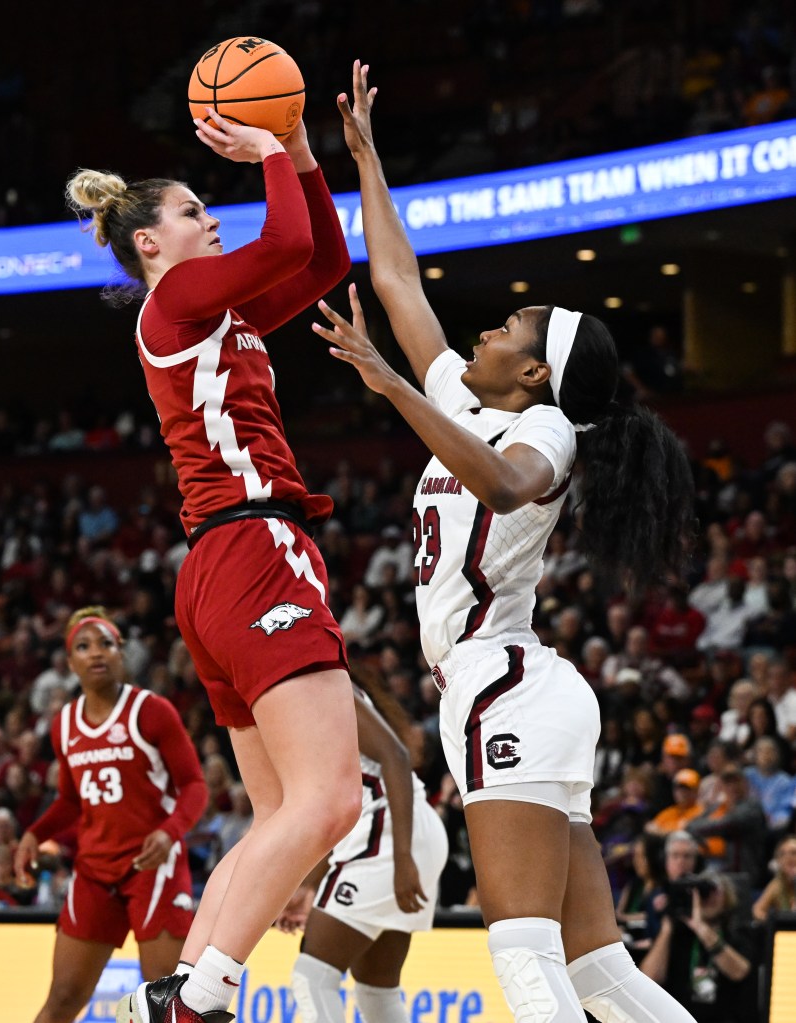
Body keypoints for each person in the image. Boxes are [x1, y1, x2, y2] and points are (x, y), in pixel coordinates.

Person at [313, 61, 699, 1023]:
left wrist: (386, 384)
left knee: (526, 961)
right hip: (513, 688)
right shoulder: (467, 402)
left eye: (508, 326)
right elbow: (398, 282)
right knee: (601, 969)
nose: (483, 327)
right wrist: (366, 160)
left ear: (532, 372)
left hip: (504, 685)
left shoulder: (548, 431)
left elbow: (505, 484)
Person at [64, 106, 361, 1023]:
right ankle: (201, 995)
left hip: (218, 566)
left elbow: (321, 262)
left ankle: (178, 991)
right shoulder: (179, 299)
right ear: (150, 242)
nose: (212, 219)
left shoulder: (205, 310)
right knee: (331, 804)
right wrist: (271, 148)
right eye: (196, 211)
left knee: (281, 814)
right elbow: (281, 238)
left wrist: (304, 157)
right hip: (253, 546)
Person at [13, 607, 208, 1023]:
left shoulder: (152, 711)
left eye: (106, 643)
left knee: (167, 1004)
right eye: (83, 646)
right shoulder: (63, 724)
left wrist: (171, 831)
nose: (96, 653)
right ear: (70, 664)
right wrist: (34, 832)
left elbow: (195, 786)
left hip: (152, 867)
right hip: (95, 871)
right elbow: (70, 800)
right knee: (63, 997)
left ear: (122, 653)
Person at [276, 683, 448, 1023]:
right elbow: (331, 814)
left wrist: (402, 859)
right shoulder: (303, 696)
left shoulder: (319, 685)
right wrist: (307, 886)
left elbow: (396, 757)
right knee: (376, 991)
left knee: (313, 977)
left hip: (390, 833)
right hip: (404, 831)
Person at [640, 872, 756, 1023]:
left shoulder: (737, 934)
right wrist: (667, 926)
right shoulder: (676, 936)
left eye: (715, 890)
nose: (709, 897)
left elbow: (739, 971)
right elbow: (649, 977)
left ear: (727, 897)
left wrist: (700, 927)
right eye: (703, 892)